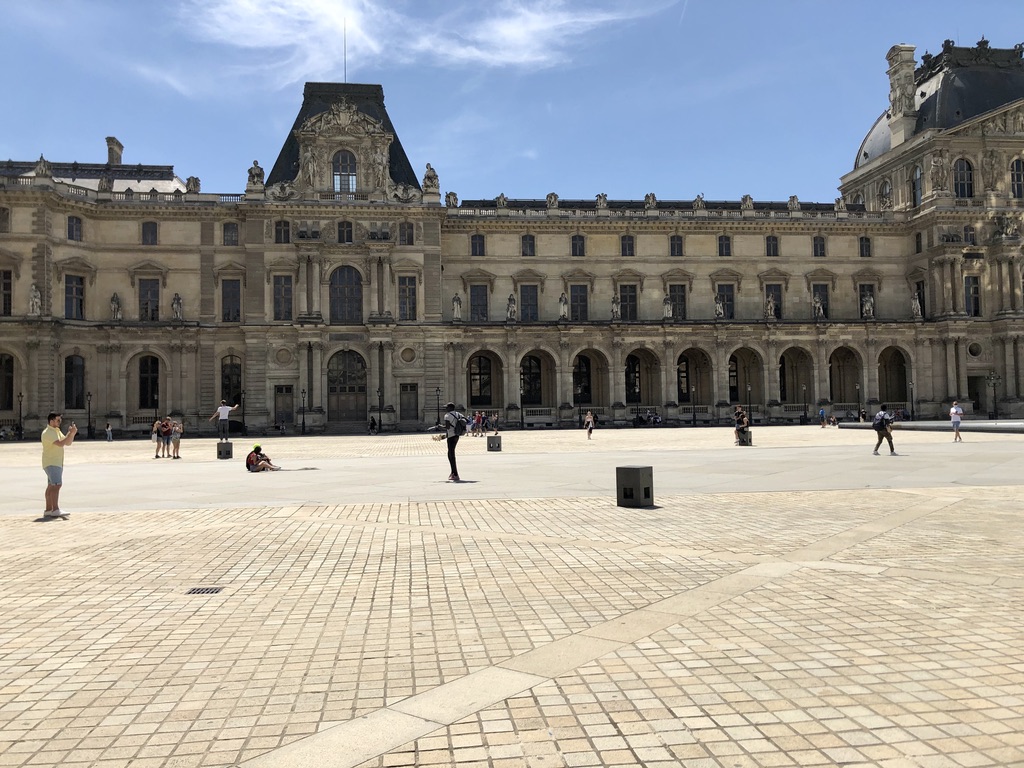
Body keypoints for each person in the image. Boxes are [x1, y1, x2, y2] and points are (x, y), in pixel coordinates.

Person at [41, 412, 77, 519]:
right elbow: (61, 443)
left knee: (51, 485)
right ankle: (55, 509)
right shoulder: (48, 432)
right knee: (57, 485)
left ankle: (48, 509)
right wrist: (70, 434)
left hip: (54, 462)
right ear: (51, 421)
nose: (59, 422)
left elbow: (67, 442)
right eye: (57, 420)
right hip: (52, 462)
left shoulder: (56, 431)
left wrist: (72, 434)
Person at [443, 402, 466, 481]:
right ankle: (453, 472)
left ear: (450, 408)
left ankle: (455, 474)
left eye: (447, 407)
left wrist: (440, 426)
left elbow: (447, 427)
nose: (446, 409)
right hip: (457, 434)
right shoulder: (458, 414)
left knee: (451, 454)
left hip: (451, 436)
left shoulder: (447, 415)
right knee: (450, 453)